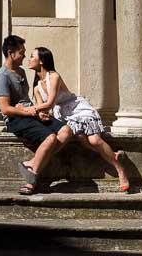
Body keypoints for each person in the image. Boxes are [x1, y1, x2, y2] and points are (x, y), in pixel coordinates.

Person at [28, 46, 130, 193]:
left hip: (77, 109)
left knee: (94, 140)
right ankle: (113, 155)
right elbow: (44, 108)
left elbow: (49, 103)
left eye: (32, 56)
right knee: (82, 139)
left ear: (42, 60)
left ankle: (121, 170)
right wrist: (41, 114)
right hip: (64, 114)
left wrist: (33, 109)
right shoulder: (37, 88)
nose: (29, 60)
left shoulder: (54, 76)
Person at [0, 35, 73, 195]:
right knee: (50, 138)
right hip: (16, 119)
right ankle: (33, 179)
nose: (24, 55)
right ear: (11, 53)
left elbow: (26, 101)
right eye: (21, 52)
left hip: (31, 114)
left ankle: (32, 164)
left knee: (66, 131)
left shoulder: (21, 71)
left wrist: (38, 112)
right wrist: (27, 111)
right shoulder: (2, 76)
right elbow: (5, 109)